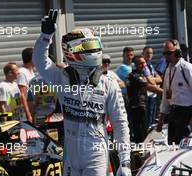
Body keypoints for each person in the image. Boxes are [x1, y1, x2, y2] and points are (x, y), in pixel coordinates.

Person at [33, 10, 131, 176]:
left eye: (94, 45)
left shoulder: (109, 83)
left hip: (96, 150)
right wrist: (45, 36)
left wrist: (125, 161)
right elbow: (40, 61)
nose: (93, 51)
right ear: (71, 50)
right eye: (87, 47)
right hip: (71, 149)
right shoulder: (61, 78)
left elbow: (120, 123)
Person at [157, 39, 192, 145]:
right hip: (173, 112)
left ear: (177, 53)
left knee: (182, 144)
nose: (166, 56)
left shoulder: (186, 68)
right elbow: (165, 96)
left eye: (169, 53)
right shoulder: (168, 70)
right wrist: (161, 119)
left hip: (186, 112)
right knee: (172, 143)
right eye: (164, 53)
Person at [142, 47, 162, 126]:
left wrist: (152, 79)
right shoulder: (143, 66)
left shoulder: (150, 64)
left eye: (151, 53)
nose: (149, 55)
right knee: (149, 121)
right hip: (148, 97)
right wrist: (153, 79)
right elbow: (151, 81)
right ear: (143, 54)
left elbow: (159, 79)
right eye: (147, 53)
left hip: (154, 95)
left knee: (153, 120)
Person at [17, 48, 35, 124]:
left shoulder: (31, 71)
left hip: (32, 109)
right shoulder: (22, 72)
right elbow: (22, 95)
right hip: (26, 114)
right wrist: (28, 115)